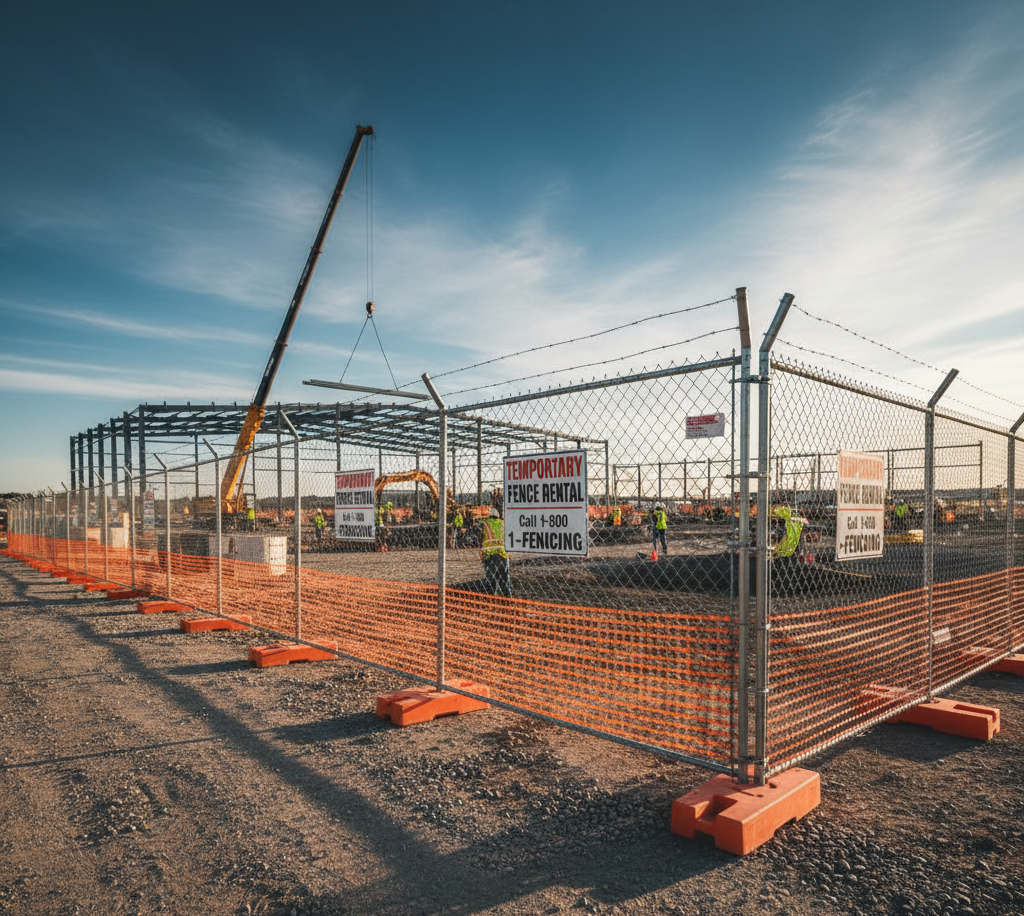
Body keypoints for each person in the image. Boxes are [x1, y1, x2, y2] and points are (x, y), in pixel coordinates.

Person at [481, 507, 511, 597]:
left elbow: (480, 538)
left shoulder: (485, 524)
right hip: (502, 553)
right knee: (504, 579)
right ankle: (507, 598)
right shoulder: (503, 524)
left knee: (491, 579)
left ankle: (491, 597)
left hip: (489, 555)